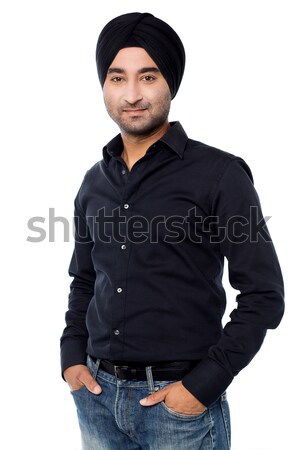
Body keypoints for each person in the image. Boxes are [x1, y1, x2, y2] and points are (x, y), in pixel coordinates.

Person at [60, 12, 284, 450]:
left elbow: (263, 296)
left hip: (178, 406)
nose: (132, 94)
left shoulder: (220, 175)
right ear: (103, 85)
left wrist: (202, 386)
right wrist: (72, 359)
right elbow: (84, 279)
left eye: (148, 76)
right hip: (96, 398)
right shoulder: (93, 181)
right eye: (116, 77)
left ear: (170, 83)